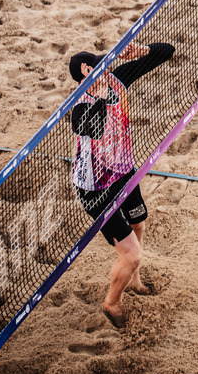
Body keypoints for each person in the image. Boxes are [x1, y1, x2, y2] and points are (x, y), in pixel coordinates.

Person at [69, 40, 175, 328]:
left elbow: (166, 52)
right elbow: (92, 125)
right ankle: (111, 302)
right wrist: (102, 95)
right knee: (130, 254)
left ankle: (133, 280)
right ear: (86, 75)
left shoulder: (118, 79)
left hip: (124, 172)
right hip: (96, 189)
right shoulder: (78, 107)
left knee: (139, 223)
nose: (107, 68)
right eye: (99, 67)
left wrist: (140, 51)